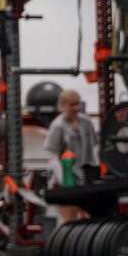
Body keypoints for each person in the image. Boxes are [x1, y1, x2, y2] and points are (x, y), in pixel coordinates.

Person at [43, 89, 98, 222]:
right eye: (71, 105)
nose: (76, 108)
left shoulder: (86, 122)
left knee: (89, 216)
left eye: (78, 104)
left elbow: (95, 148)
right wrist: (62, 179)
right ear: (62, 106)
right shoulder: (58, 126)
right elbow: (53, 155)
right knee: (69, 218)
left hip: (86, 175)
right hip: (68, 177)